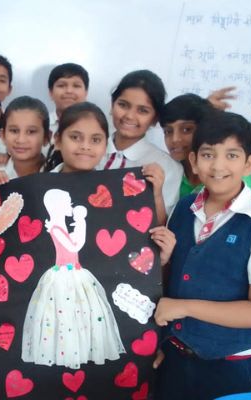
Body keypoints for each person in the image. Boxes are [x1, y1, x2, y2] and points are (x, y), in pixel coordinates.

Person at [154, 111, 251, 400]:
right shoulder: (184, 208)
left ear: (249, 164)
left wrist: (184, 307)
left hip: (230, 368)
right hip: (175, 356)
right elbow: (173, 283)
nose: (218, 166)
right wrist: (164, 262)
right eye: (208, 155)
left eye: (231, 155)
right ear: (194, 160)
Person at [22, 101, 174, 369]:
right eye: (75, 137)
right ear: (57, 139)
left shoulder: (120, 193)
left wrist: (156, 192)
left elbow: (141, 245)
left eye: (95, 139)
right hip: (61, 278)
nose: (85, 146)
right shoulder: (33, 191)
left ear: (106, 145)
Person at [100, 70, 184, 223]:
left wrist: (156, 194)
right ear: (112, 105)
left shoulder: (168, 167)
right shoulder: (88, 151)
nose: (129, 116)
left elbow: (164, 226)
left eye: (143, 111)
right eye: (123, 105)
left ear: (155, 119)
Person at [0, 96, 50, 185]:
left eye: (31, 132)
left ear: (46, 137)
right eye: (14, 131)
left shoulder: (57, 173)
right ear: (3, 135)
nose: (21, 140)